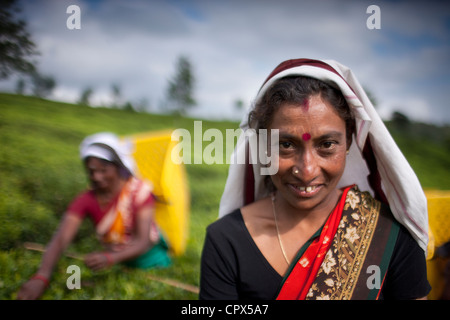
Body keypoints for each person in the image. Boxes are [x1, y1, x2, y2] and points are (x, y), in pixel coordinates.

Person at [200, 58, 431, 300]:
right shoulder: (227, 241)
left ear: (349, 141)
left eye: (327, 145)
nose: (307, 170)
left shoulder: (386, 235)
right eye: (286, 145)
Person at [17, 132, 171, 300]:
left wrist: (111, 258)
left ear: (118, 168)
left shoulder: (139, 193)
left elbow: (144, 241)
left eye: (104, 170)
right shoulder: (86, 200)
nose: (97, 177)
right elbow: (61, 238)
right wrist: (41, 277)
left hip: (148, 262)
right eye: (91, 171)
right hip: (115, 262)